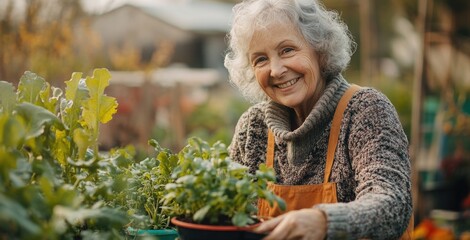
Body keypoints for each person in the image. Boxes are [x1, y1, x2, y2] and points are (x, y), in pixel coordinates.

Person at [224, 0, 413, 239]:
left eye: (287, 50)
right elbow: (229, 212)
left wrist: (325, 221)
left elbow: (392, 204)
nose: (276, 69)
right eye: (260, 59)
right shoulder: (253, 127)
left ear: (319, 49)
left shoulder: (365, 110)